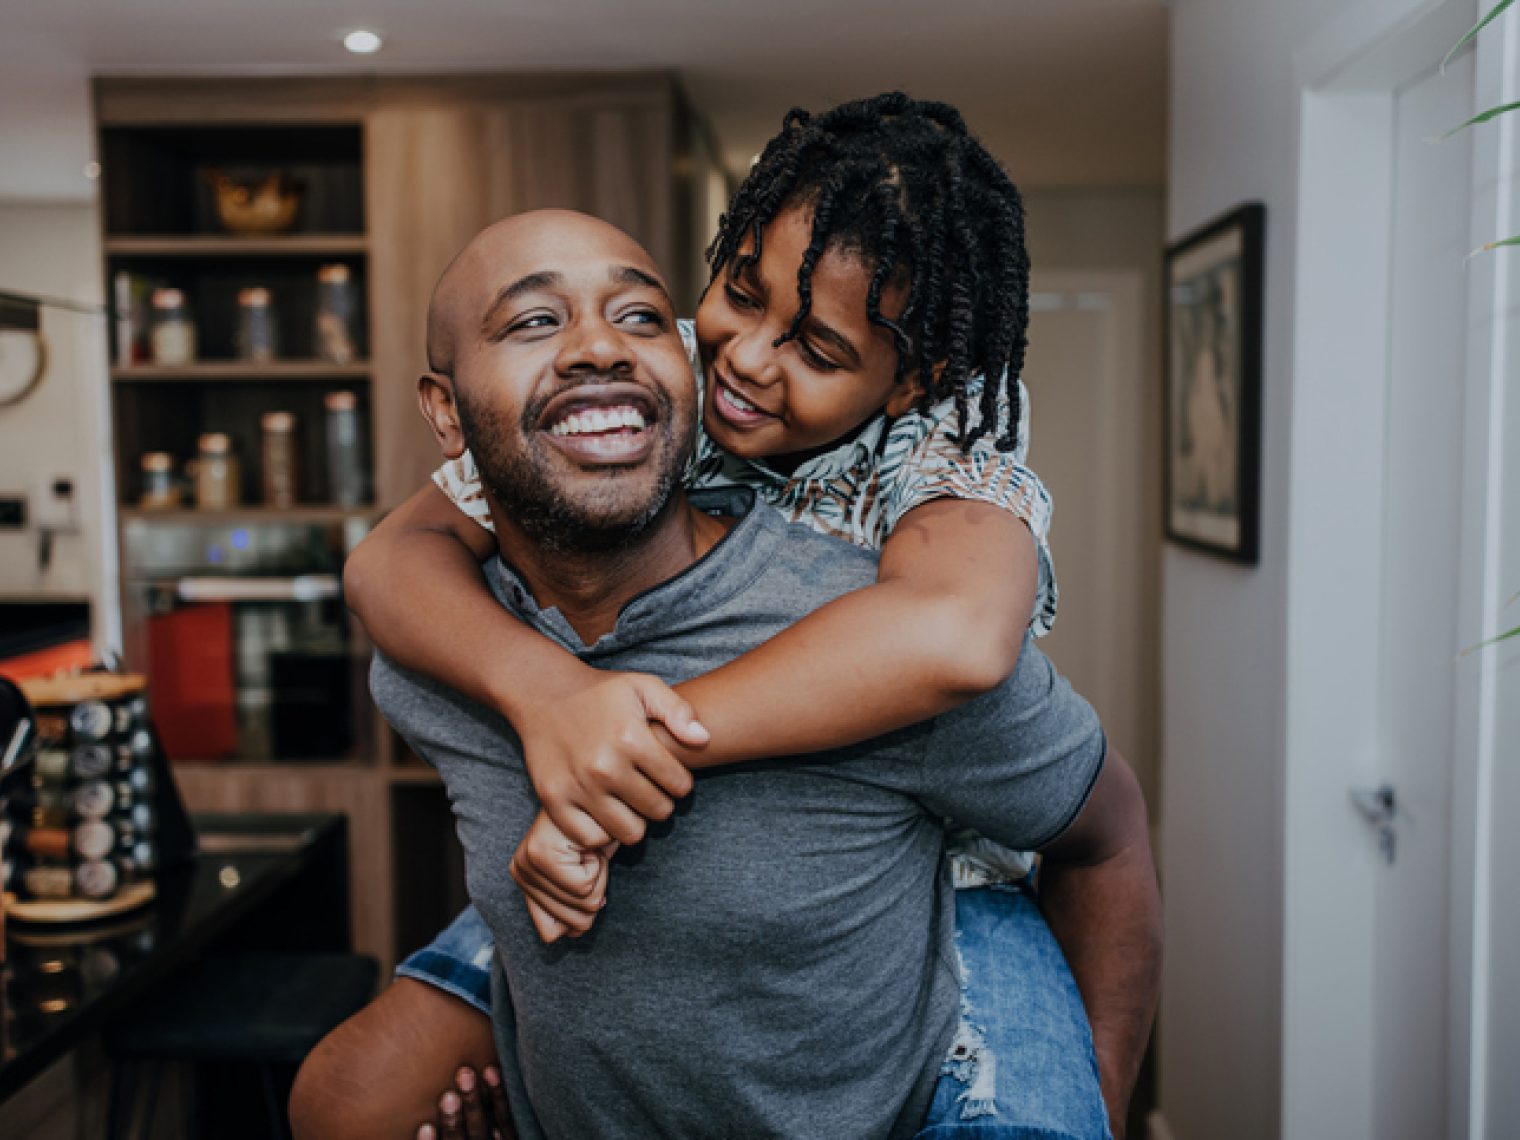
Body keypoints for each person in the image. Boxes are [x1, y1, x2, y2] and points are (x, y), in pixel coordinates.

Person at [292, 95, 1159, 1138]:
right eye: (735, 296)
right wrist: (547, 693)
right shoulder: (655, 397)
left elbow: (957, 638)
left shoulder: (942, 453)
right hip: (619, 900)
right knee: (351, 1097)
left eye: (818, 351)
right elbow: (390, 560)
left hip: (960, 876)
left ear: (907, 379)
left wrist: (627, 737)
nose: (745, 358)